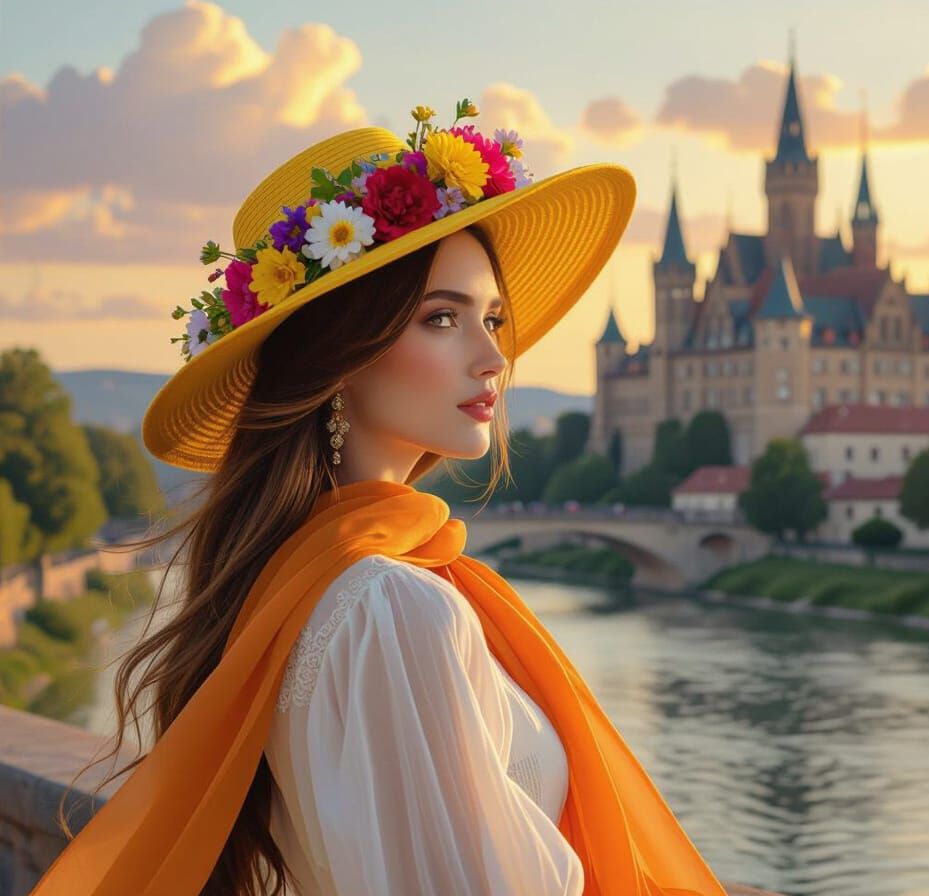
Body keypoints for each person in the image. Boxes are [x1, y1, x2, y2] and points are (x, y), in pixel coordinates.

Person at [31, 100, 731, 896]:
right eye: (442, 319)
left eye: (493, 319)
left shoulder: (304, 579)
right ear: (342, 358)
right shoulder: (392, 608)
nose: (493, 356)